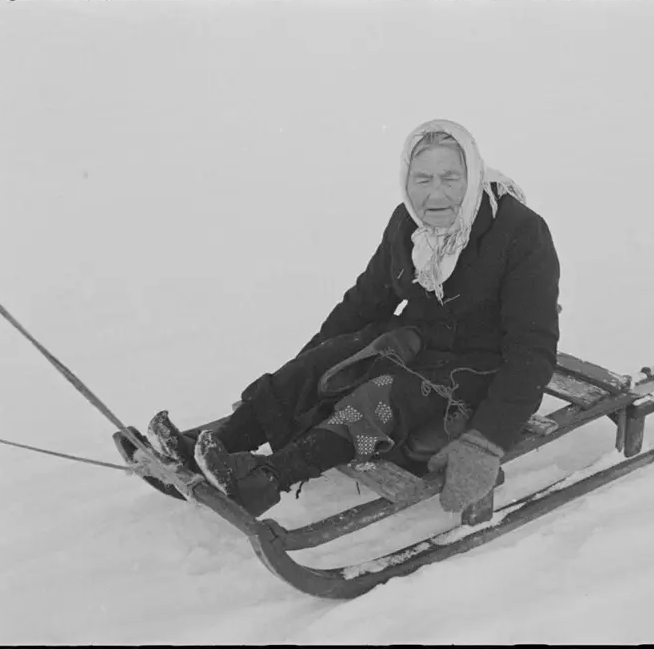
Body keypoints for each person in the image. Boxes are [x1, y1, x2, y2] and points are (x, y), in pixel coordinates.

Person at [147, 118, 561, 517]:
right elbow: (364, 303)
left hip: (484, 367)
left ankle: (267, 479)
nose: (436, 194)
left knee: (378, 398)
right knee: (328, 360)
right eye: (423, 179)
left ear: (472, 176)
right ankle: (214, 445)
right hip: (419, 343)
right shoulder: (407, 225)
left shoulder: (520, 233)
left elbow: (533, 351)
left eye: (450, 178)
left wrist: (486, 442)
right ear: (406, 179)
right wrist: (301, 375)